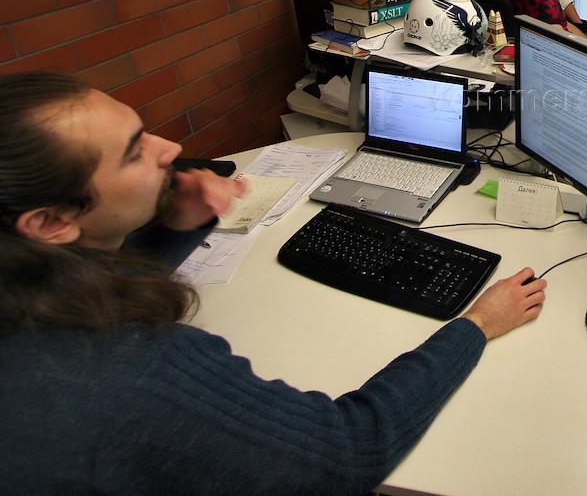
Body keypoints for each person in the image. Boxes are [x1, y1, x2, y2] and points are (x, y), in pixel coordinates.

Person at [0, 72, 547, 494]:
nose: (169, 149)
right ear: (50, 222)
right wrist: (476, 325)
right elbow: (348, 452)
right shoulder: (130, 372)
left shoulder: (25, 296)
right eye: (134, 151)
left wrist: (175, 226)